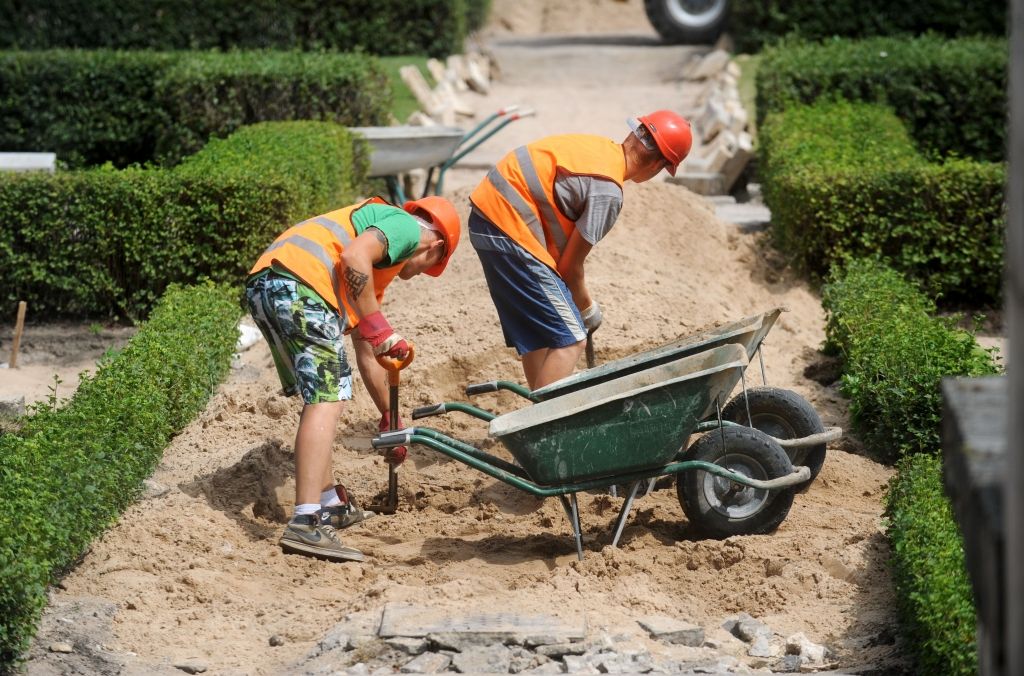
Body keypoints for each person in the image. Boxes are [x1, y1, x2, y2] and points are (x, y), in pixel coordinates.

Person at [245, 195, 461, 562]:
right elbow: (353, 257)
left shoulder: (375, 271)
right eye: (432, 266)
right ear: (435, 246)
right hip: (300, 285)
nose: (421, 273)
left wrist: (390, 417)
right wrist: (381, 328)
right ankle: (306, 521)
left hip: (269, 284)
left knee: (324, 393)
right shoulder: (406, 227)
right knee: (328, 397)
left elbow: (368, 350)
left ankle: (329, 502)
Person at [468, 110, 693, 390]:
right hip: (508, 226)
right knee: (572, 337)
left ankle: (538, 406)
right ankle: (546, 416)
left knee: (543, 333)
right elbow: (570, 269)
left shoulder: (599, 149)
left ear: (633, 134)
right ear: (658, 165)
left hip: (486, 215)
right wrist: (587, 309)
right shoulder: (608, 191)